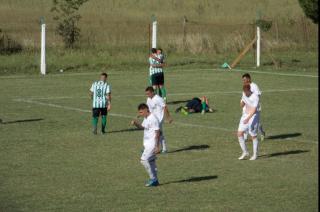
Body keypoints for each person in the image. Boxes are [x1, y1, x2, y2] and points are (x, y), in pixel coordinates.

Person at [131, 103, 160, 187]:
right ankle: (155, 180)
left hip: (152, 144)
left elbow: (158, 132)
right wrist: (136, 123)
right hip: (147, 144)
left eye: (141, 112)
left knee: (144, 160)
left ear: (146, 110)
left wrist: (157, 146)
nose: (140, 114)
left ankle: (153, 179)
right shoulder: (146, 118)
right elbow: (142, 127)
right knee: (151, 161)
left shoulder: (153, 118)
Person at [145, 86, 173, 153]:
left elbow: (165, 107)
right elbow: (148, 109)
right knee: (154, 133)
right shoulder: (148, 99)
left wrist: (168, 117)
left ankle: (162, 149)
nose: (147, 95)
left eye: (148, 93)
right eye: (146, 94)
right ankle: (158, 148)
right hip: (152, 118)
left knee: (158, 133)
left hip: (159, 118)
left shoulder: (158, 99)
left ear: (152, 92)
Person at [237, 84, 260, 160]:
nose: (245, 93)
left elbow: (254, 110)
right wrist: (242, 103)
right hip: (245, 115)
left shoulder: (255, 97)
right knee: (239, 133)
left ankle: (255, 154)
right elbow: (242, 104)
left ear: (249, 90)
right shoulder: (244, 94)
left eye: (246, 92)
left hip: (253, 116)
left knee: (253, 135)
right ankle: (245, 152)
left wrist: (248, 118)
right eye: (244, 91)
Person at [242, 73, 266, 141]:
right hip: (246, 108)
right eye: (243, 80)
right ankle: (245, 137)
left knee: (254, 123)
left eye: (245, 80)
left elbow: (258, 96)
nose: (244, 81)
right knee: (246, 121)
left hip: (254, 108)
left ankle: (261, 132)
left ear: (249, 79)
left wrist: (254, 105)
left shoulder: (254, 86)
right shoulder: (245, 86)